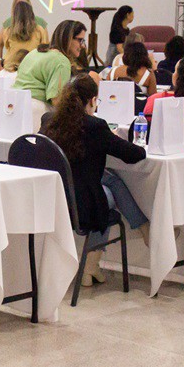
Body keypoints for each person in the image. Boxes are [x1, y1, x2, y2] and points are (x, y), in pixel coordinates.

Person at [41, 74, 148, 286]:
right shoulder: (96, 126)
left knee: (110, 180)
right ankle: (92, 265)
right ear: (91, 100)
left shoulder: (49, 120)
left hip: (52, 199)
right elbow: (135, 155)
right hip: (81, 204)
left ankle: (93, 268)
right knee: (105, 199)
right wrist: (113, 137)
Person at [13, 19, 89, 114]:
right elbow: (57, 101)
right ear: (68, 38)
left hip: (12, 105)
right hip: (35, 111)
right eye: (80, 40)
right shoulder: (61, 61)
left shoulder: (34, 52)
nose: (83, 46)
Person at [0, 0, 48, 69]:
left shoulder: (8, 30)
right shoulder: (39, 29)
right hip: (32, 68)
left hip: (11, 67)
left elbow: (4, 45)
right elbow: (45, 47)